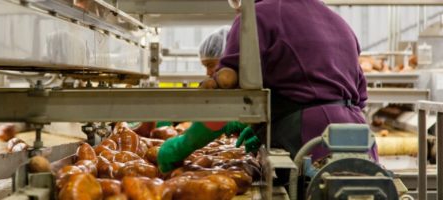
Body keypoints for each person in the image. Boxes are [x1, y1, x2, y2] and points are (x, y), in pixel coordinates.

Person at [158, 0, 377, 173]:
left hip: (310, 140)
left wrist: (183, 146)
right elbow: (359, 96)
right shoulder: (338, 21)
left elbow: (225, 95)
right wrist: (264, 127)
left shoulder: (258, 16)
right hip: (359, 136)